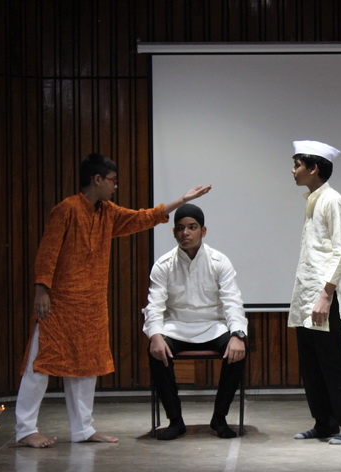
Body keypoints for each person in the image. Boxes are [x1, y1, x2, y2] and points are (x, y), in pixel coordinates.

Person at [15, 152, 211, 448]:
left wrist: (181, 200)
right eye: (112, 180)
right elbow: (48, 251)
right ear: (97, 179)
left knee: (87, 366)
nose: (115, 186)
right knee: (41, 363)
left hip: (92, 305)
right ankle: (25, 428)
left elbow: (143, 217)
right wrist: (41, 289)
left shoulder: (107, 212)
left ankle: (83, 429)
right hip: (60, 304)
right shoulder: (66, 209)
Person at [143, 203, 247, 440]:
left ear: (203, 231)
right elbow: (154, 305)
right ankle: (175, 421)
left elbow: (233, 301)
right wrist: (155, 336)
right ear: (174, 232)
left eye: (192, 227)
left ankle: (219, 418)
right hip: (176, 327)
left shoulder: (219, 261)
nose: (185, 233)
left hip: (213, 326)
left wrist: (237, 335)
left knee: (238, 351)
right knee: (156, 351)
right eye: (180, 228)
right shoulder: (163, 264)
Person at [288, 140, 341, 445]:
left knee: (333, 362)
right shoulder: (313, 200)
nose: (293, 170)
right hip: (308, 295)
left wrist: (326, 294)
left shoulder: (333, 200)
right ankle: (324, 423)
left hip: (323, 295)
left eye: (297, 165)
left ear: (313, 168)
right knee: (311, 363)